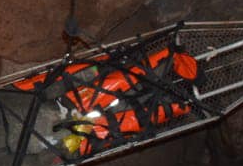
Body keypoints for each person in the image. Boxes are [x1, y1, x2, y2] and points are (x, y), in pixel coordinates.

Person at [57, 47, 198, 156]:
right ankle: (173, 85)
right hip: (106, 109)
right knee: (133, 96)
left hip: (103, 106)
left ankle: (171, 70)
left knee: (130, 87)